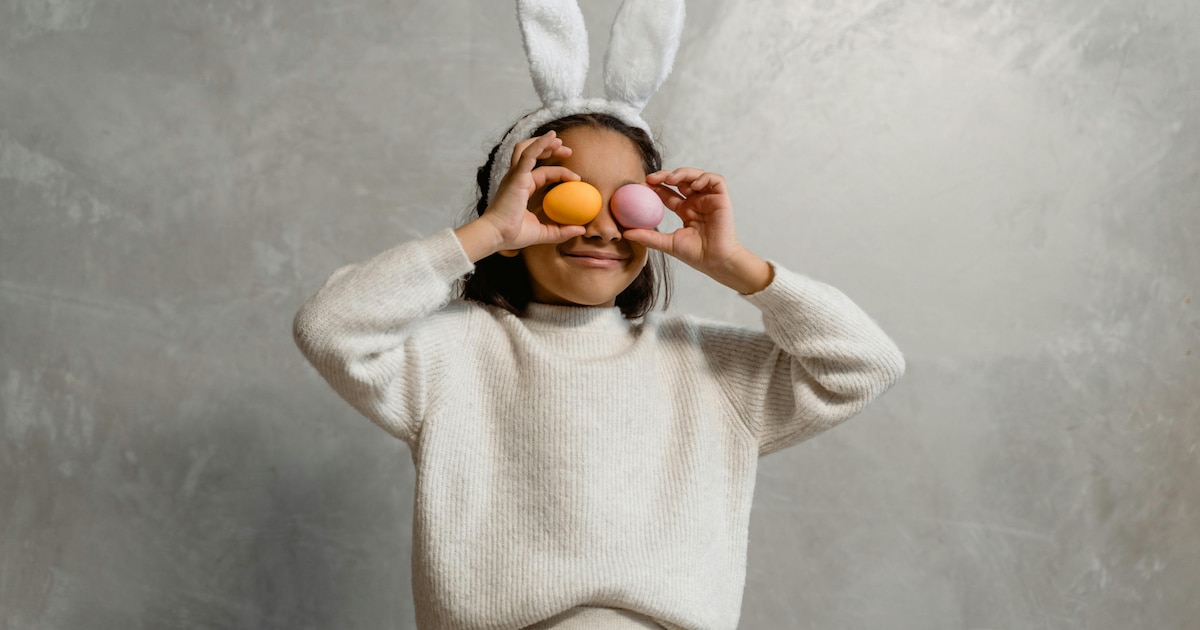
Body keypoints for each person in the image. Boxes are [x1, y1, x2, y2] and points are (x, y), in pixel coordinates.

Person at [292, 110, 906, 629]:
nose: (603, 228)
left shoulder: (703, 363)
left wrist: (736, 264)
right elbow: (330, 326)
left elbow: (864, 363)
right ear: (514, 208)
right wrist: (484, 234)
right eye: (570, 196)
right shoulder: (455, 352)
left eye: (628, 204)